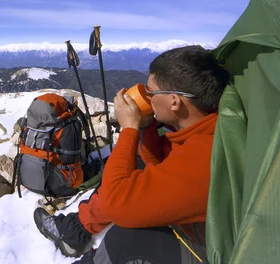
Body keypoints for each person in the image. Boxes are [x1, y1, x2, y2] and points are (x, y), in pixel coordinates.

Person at [34, 45, 230, 263]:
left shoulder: (205, 156)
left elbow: (115, 202)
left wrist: (129, 129)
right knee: (132, 165)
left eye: (151, 92)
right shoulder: (203, 130)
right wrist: (145, 127)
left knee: (125, 238)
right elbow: (159, 162)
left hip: (211, 250)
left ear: (175, 101)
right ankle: (76, 230)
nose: (147, 97)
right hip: (197, 221)